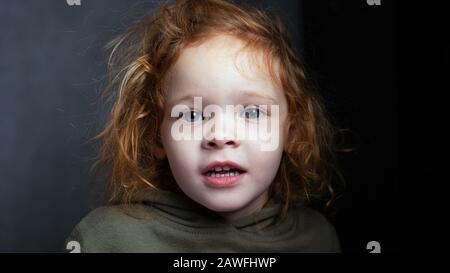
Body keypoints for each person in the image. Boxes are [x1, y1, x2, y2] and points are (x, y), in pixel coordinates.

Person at [66, 0, 341, 253]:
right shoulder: (106, 239)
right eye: (193, 116)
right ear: (157, 137)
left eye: (253, 112)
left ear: (291, 132)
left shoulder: (317, 239)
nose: (220, 136)